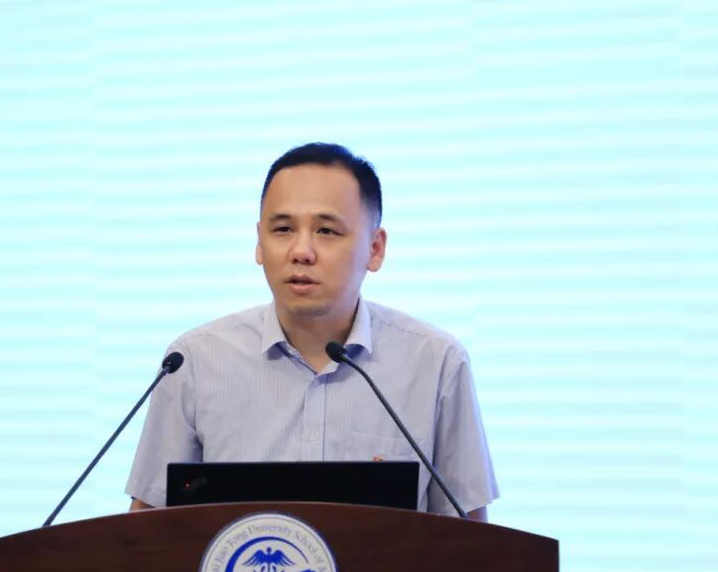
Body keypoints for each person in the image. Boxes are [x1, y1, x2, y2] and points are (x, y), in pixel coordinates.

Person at [125, 143, 497, 519]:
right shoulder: (193, 362)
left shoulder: (436, 364)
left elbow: (470, 540)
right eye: (283, 229)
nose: (301, 251)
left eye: (326, 230)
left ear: (375, 248)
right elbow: (143, 532)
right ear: (259, 242)